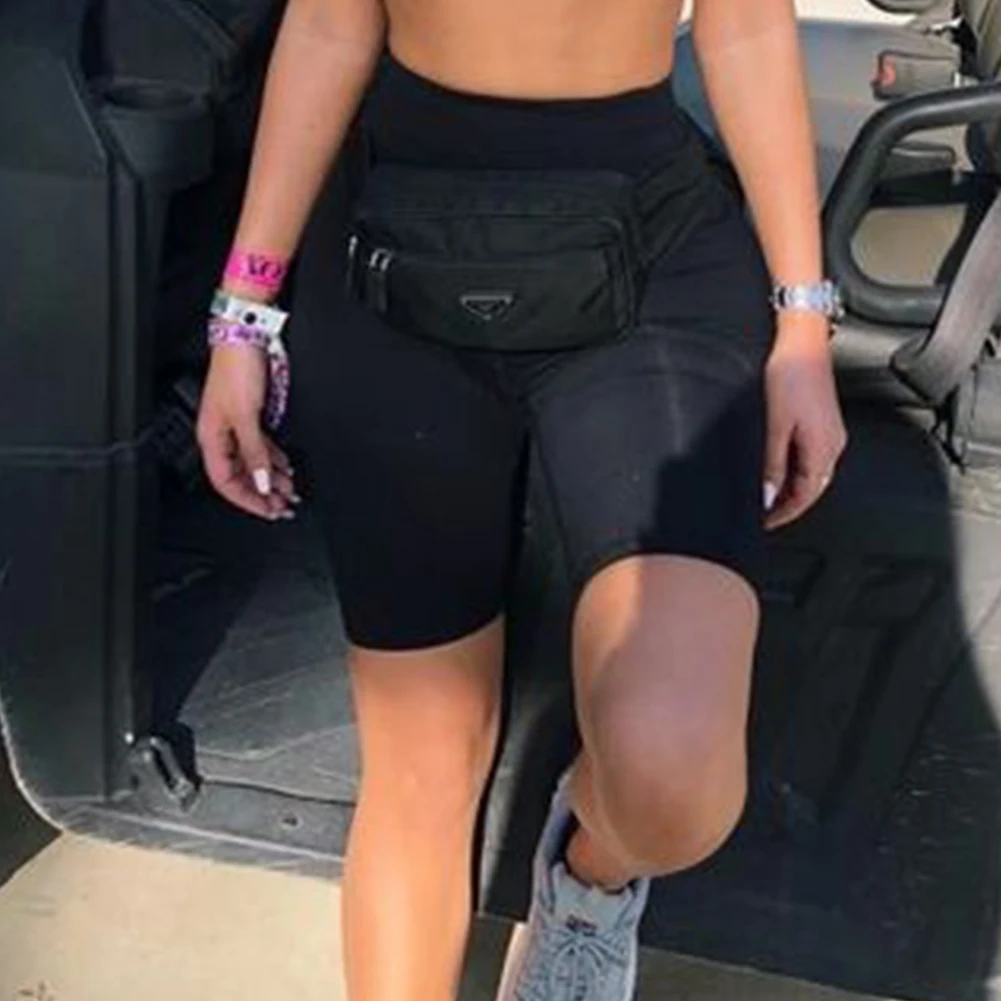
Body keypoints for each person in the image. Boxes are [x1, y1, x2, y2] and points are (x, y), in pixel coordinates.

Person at [195, 0, 849, 998]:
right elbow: (329, 25)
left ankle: (586, 881)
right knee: (420, 757)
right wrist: (242, 313)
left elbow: (746, 28)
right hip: (397, 255)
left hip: (649, 253)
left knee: (673, 779)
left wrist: (802, 324)